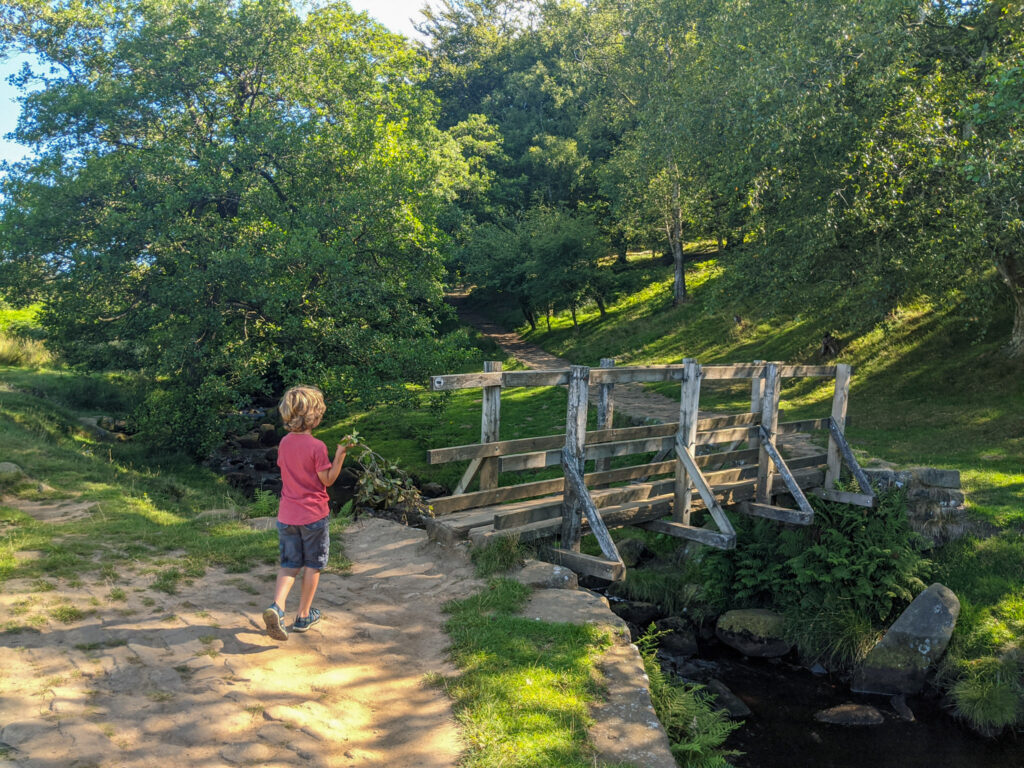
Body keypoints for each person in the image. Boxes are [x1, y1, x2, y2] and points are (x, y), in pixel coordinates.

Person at [263, 385, 352, 641]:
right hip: (313, 516)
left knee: (290, 565)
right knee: (313, 565)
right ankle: (303, 616)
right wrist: (340, 455)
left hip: (287, 516)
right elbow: (328, 480)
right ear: (315, 416)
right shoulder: (317, 446)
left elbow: (287, 469)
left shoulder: (284, 443)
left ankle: (277, 607)